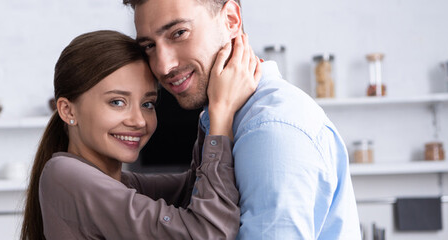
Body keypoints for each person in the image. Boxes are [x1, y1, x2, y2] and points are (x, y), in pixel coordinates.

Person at [124, 0, 362, 239]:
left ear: (231, 20)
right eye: (149, 46)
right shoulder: (226, 118)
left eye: (179, 33)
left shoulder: (270, 130)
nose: (163, 66)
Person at [20, 30, 260, 239]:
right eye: (117, 102)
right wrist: (221, 112)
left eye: (148, 104)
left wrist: (208, 101)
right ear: (67, 110)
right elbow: (207, 232)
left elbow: (196, 186)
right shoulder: (66, 176)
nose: (138, 121)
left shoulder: (119, 184)